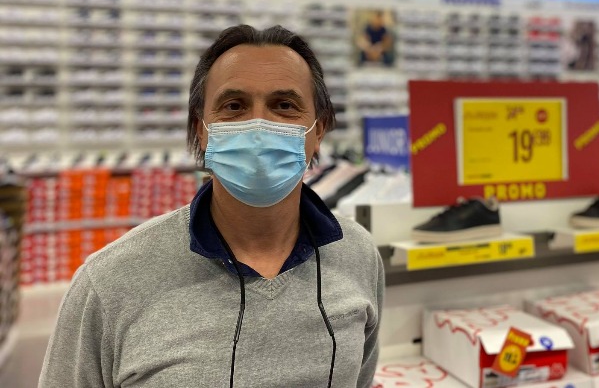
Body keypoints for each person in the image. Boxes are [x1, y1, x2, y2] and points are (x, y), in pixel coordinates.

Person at [39, 25, 384, 388]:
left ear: (319, 130)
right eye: (234, 106)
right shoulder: (109, 282)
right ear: (201, 129)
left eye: (284, 106)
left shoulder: (358, 255)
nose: (258, 127)